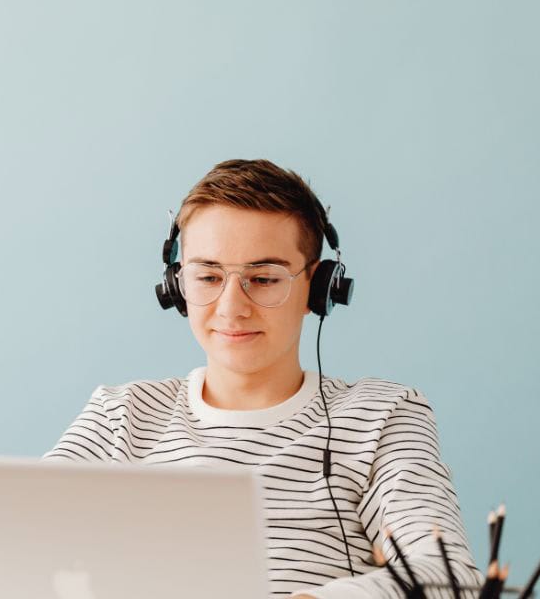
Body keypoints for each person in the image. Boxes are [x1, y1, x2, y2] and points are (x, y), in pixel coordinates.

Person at [43, 159, 482, 598]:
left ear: (317, 288)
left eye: (264, 278)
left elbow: (449, 579)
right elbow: (20, 542)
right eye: (209, 276)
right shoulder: (121, 414)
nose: (232, 307)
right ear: (177, 286)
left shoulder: (383, 415)